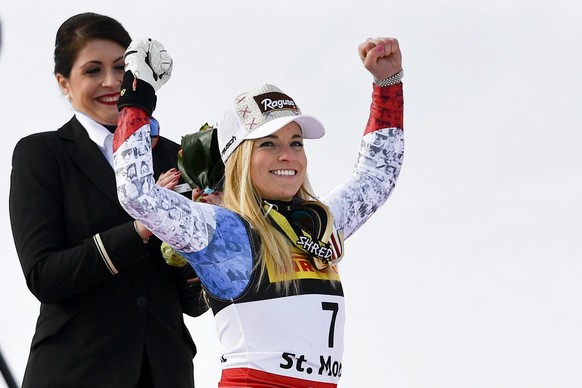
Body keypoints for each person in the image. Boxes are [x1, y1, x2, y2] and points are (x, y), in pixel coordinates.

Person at [113, 36, 404, 387]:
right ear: (240, 159)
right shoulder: (224, 232)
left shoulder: (318, 224)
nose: (288, 155)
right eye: (269, 143)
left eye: (296, 142)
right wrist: (137, 96)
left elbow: (378, 174)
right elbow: (138, 194)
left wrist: (388, 83)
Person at [9, 13, 207, 387]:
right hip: (75, 371)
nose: (111, 82)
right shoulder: (43, 153)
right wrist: (144, 226)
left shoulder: (176, 156)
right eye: (92, 70)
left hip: (165, 371)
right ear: (64, 82)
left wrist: (206, 235)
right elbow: (44, 275)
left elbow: (194, 302)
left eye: (121, 68)